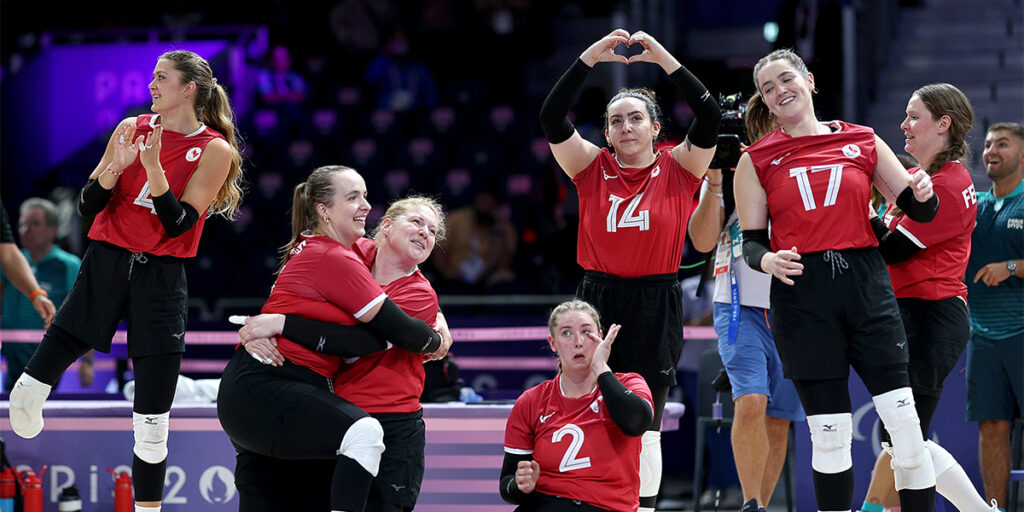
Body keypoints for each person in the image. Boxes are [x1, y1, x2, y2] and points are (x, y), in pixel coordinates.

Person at [8, 50, 244, 511]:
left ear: (188, 89)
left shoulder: (215, 149)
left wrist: (154, 167)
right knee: (68, 334)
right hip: (108, 258)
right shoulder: (131, 127)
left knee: (153, 418)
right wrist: (117, 164)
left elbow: (179, 224)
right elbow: (86, 206)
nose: (152, 85)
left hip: (161, 274)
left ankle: (148, 508)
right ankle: (28, 391)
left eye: (161, 78)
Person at [734, 49, 941, 511]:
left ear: (808, 80)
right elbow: (750, 243)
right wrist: (767, 261)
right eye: (768, 88)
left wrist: (922, 194)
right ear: (765, 102)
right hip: (803, 299)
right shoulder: (756, 160)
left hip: (866, 288)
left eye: (786, 79)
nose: (779, 91)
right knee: (830, 436)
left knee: (905, 427)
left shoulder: (862, 140)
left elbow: (920, 209)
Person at [538, 29, 720, 511]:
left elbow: (709, 116)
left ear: (655, 127)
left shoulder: (680, 167)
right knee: (586, 407)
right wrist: (589, 59)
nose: (625, 127)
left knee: (647, 421)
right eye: (615, 121)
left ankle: (643, 508)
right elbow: (551, 116)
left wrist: (662, 59)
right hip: (595, 298)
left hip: (655, 300)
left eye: (636, 118)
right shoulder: (590, 166)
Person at [216, 166, 444, 512]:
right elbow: (363, 331)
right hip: (302, 397)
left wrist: (279, 323)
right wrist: (265, 326)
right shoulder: (348, 253)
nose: (425, 232)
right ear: (385, 228)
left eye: (432, 231)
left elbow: (381, 336)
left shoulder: (419, 294)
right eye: (416, 222)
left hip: (375, 418)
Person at [861, 83, 994, 512]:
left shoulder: (948, 185)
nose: (903, 125)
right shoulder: (926, 179)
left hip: (931, 316)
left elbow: (893, 250)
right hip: (914, 314)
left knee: (904, 437)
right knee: (899, 439)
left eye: (914, 116)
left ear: (944, 124)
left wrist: (860, 212)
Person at [686, 95, 805, 512]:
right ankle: (750, 503)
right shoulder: (725, 170)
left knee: (779, 418)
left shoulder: (799, 159)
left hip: (795, 304)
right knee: (751, 400)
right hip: (739, 304)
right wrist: (716, 180)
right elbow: (701, 242)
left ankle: (761, 506)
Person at [500, 299, 654, 512]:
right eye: (566, 333)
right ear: (552, 343)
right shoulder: (532, 400)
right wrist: (520, 485)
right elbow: (507, 486)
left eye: (586, 332)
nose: (578, 342)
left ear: (600, 337)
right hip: (545, 504)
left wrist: (600, 367)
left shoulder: (631, 383)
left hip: (606, 507)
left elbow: (636, 423)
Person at [965, 121, 1024, 509]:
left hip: (1021, 331)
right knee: (992, 427)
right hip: (982, 337)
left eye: (1002, 144)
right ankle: (994, 508)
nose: (991, 151)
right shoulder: (976, 206)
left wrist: (1012, 266)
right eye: (987, 145)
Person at [2, 198, 84, 392]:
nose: (26, 229)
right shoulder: (11, 261)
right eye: (23, 223)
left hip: (48, 359)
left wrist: (87, 363)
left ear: (52, 230)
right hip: (11, 356)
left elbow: (83, 312)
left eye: (35, 223)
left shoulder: (69, 265)